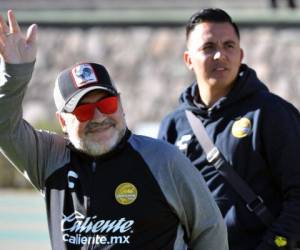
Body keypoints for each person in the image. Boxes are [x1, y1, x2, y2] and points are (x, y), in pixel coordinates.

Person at [0, 10, 228, 250]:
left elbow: (210, 231)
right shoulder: (50, 158)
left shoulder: (164, 160)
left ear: (120, 104)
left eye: (106, 104)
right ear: (63, 121)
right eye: (84, 110)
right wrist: (15, 74)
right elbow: (5, 127)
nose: (99, 117)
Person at [158, 8, 300, 250]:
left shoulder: (271, 113)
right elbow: (162, 207)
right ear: (188, 59)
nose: (219, 55)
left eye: (229, 46)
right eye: (208, 47)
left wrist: (273, 246)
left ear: (241, 54)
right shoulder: (173, 126)